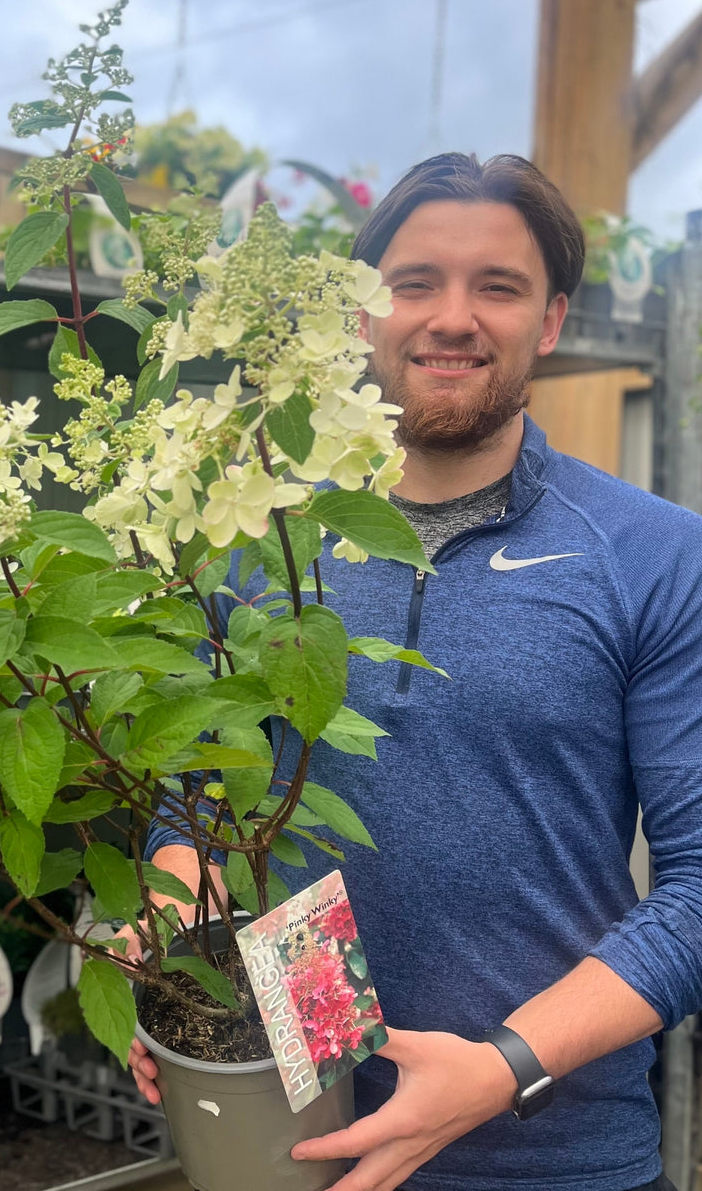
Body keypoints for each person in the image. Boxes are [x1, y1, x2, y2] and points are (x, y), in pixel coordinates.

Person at [130, 153, 702, 1191]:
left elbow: (701, 886)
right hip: (298, 1137)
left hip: (562, 1158)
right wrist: (175, 956)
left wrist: (502, 1069)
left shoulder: (654, 554)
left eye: (499, 286)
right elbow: (201, 815)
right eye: (414, 283)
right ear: (361, 313)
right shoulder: (258, 544)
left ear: (554, 320)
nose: (453, 318)